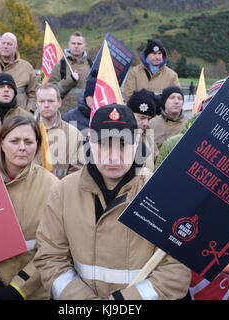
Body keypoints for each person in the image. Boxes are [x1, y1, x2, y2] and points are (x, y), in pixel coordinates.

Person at [34, 103, 191, 300]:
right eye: (104, 144)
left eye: (123, 144)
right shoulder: (63, 191)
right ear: (90, 141)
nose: (113, 156)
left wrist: (124, 303)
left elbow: (176, 270)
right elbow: (50, 258)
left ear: (137, 143)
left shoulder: (161, 193)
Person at [0, 115, 58, 300]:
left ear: (37, 144)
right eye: (14, 141)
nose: (21, 147)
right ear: (1, 143)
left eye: (28, 141)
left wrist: (18, 288)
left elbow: (55, 248)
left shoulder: (52, 186)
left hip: (31, 292)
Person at [35, 83, 84, 179]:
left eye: (50, 101)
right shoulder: (26, 132)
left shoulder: (74, 134)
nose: (46, 105)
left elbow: (78, 170)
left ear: (59, 102)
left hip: (62, 191)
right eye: (41, 101)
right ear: (36, 104)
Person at [0, 33, 38, 113]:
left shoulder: (26, 67)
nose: (5, 46)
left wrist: (28, 112)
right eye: (3, 43)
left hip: (18, 118)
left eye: (9, 44)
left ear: (16, 48)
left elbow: (33, 94)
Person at [49, 31, 92, 115]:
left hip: (85, 115)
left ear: (85, 46)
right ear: (68, 45)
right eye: (73, 43)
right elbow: (51, 93)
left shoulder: (91, 65)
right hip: (64, 115)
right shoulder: (60, 65)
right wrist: (70, 80)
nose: (76, 46)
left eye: (79, 44)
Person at [126, 88, 158, 171]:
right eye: (142, 117)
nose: (146, 123)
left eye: (149, 119)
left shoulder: (149, 136)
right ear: (129, 114)